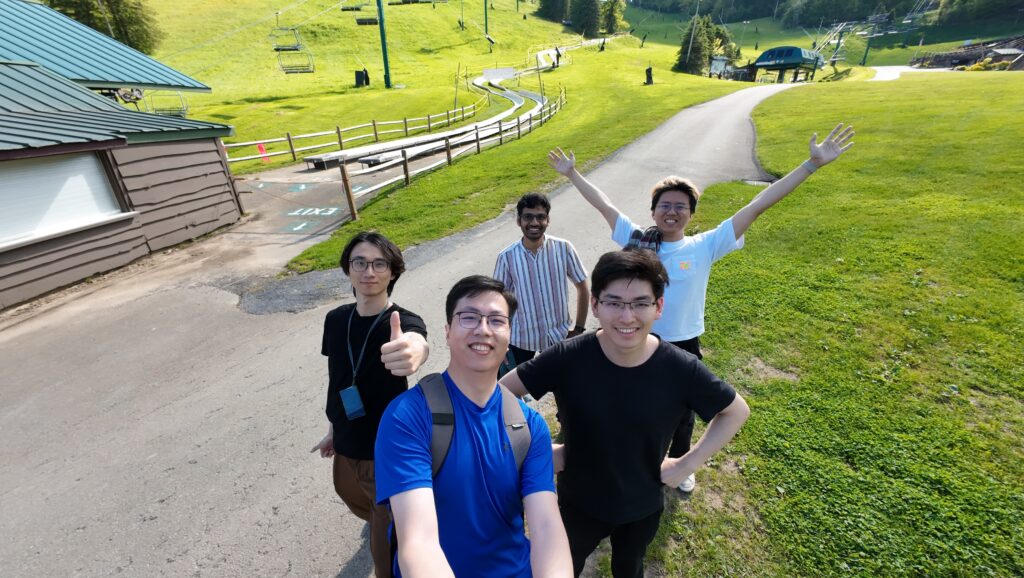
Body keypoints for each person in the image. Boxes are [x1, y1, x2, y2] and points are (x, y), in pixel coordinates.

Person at [547, 123, 853, 492]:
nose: (671, 212)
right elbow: (604, 204)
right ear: (654, 211)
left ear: (691, 213)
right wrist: (572, 173)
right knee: (623, 399)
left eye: (680, 206)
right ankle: (617, 453)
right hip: (629, 337)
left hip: (681, 343)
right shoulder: (634, 238)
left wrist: (811, 165)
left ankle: (679, 462)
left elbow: (758, 205)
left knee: (681, 410)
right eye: (665, 205)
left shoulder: (705, 245)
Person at [501, 249, 750, 578]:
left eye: (640, 303)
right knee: (563, 567)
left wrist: (687, 463)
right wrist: (538, 452)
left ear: (658, 307)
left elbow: (735, 411)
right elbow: (500, 395)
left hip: (643, 504)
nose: (626, 317)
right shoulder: (567, 357)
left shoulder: (681, 369)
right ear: (595, 304)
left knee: (629, 568)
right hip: (578, 502)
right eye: (614, 302)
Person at [375, 275, 572, 578]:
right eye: (469, 317)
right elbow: (418, 542)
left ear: (509, 336)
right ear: (447, 331)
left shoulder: (528, 426)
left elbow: (546, 526)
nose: (483, 329)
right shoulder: (409, 416)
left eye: (496, 320)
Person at [311, 232, 430, 578]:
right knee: (351, 497)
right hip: (346, 447)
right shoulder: (335, 319)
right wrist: (333, 428)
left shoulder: (402, 322)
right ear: (348, 270)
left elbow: (416, 342)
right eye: (359, 262)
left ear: (393, 272)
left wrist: (414, 351)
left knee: (385, 552)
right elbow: (338, 378)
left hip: (385, 452)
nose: (369, 272)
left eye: (380, 264)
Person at [494, 193, 590, 367]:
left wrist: (579, 329)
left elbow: (582, 287)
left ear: (548, 220)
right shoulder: (506, 257)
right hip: (521, 340)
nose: (534, 223)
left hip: (558, 338)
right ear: (518, 220)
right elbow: (497, 303)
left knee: (565, 390)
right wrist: (500, 341)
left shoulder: (564, 248)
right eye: (528, 217)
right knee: (517, 392)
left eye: (540, 217)